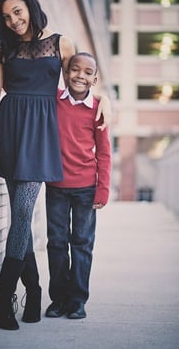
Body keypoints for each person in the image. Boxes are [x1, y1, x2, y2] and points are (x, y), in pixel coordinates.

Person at [0, 0, 111, 331]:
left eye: (18, 12)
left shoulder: (59, 43)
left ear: (30, 7)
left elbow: (79, 82)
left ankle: (4, 292)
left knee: (23, 212)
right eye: (6, 16)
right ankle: (35, 292)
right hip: (10, 131)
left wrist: (105, 100)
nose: (13, 20)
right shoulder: (1, 47)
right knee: (20, 217)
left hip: (41, 133)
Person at [45, 52, 111, 320]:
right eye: (74, 70)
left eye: (86, 73)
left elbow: (104, 153)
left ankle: (77, 300)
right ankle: (59, 299)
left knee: (82, 244)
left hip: (86, 188)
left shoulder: (99, 108)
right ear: (65, 72)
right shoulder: (53, 101)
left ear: (94, 79)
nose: (79, 76)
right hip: (56, 185)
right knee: (57, 243)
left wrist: (103, 189)